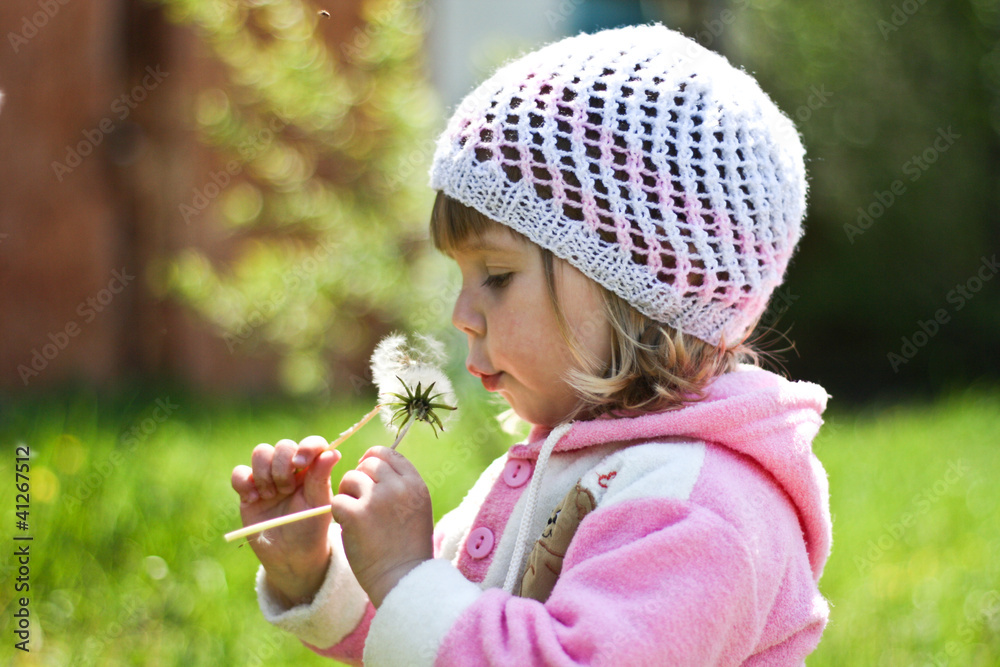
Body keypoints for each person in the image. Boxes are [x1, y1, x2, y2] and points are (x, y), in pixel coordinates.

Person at [231, 23, 832, 666]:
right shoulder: (568, 464)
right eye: (460, 279)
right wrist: (315, 569)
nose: (462, 314)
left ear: (632, 290)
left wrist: (406, 578)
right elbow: (444, 641)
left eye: (496, 276)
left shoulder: (697, 505)